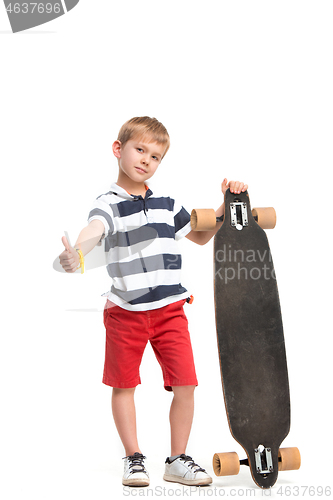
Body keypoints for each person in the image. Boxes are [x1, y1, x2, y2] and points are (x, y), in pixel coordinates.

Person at [59, 116, 248, 487]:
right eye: (140, 150)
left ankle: (177, 460)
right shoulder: (108, 204)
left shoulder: (167, 204)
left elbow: (201, 236)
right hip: (125, 313)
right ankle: (134, 459)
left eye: (156, 156)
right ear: (119, 149)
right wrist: (78, 255)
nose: (146, 160)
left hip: (169, 310)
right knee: (124, 384)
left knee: (186, 384)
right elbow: (92, 231)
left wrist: (226, 207)